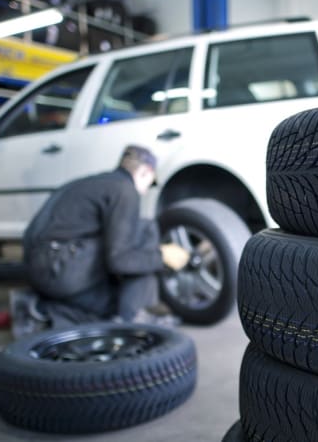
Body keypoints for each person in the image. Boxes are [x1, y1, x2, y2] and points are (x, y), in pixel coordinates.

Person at [11, 145, 189, 338]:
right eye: (150, 183)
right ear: (146, 172)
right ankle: (134, 322)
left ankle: (41, 312)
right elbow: (120, 260)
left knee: (111, 305)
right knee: (144, 228)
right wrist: (161, 256)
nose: (145, 192)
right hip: (61, 268)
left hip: (42, 269)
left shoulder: (95, 184)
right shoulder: (124, 190)